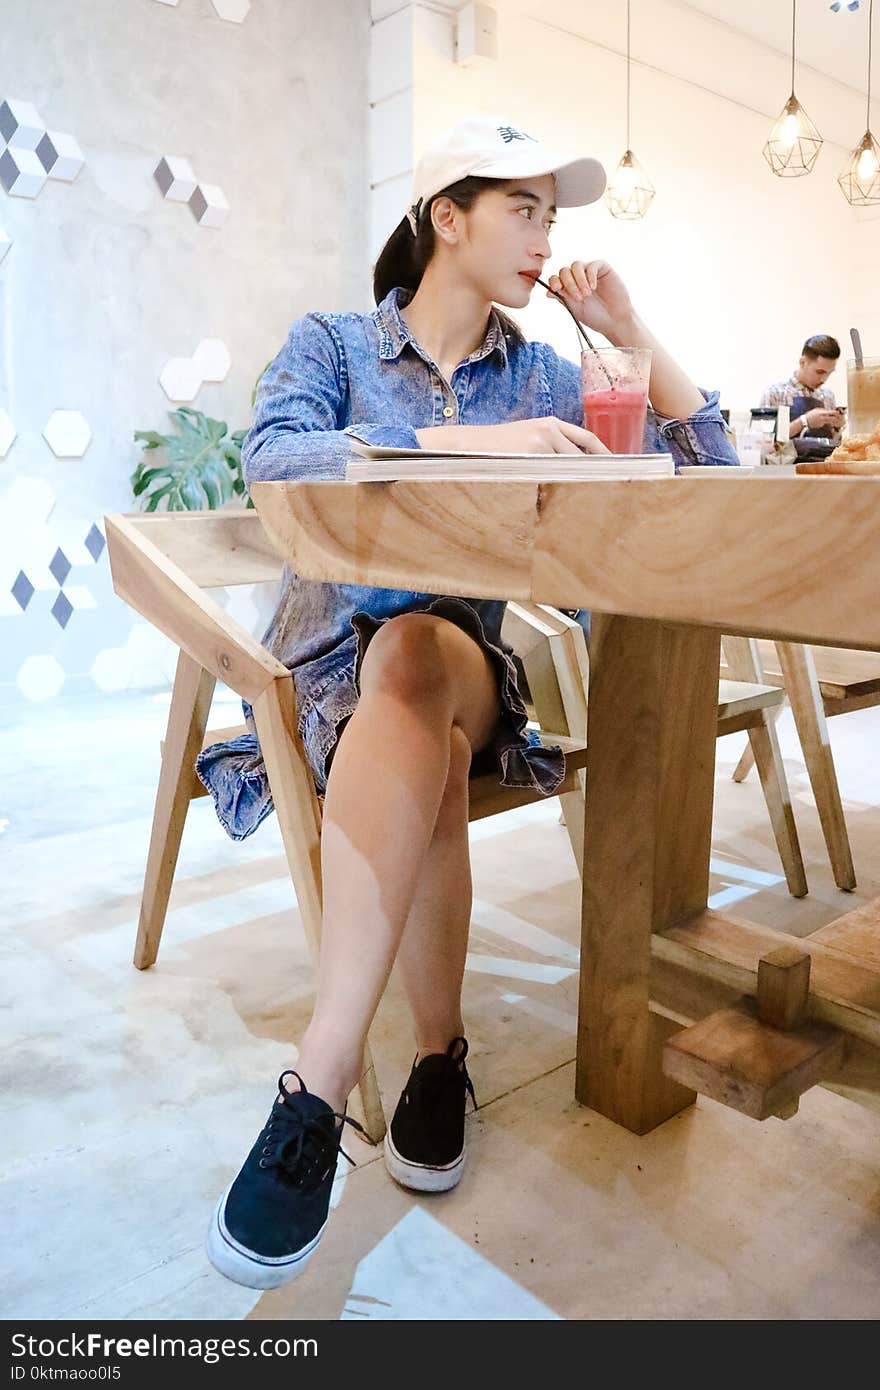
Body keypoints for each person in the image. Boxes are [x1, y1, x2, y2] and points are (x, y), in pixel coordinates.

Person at [197, 114, 740, 1290]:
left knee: (419, 656)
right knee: (406, 705)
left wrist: (631, 335)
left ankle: (321, 1081)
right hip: (324, 674)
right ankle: (437, 1057)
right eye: (527, 209)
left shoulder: (549, 370)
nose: (550, 237)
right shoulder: (337, 342)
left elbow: (716, 471)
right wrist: (466, 446)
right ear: (449, 217)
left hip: (461, 669)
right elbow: (277, 456)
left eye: (555, 214)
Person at [760, 335, 845, 442]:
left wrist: (838, 427)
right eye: (820, 372)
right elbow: (765, 442)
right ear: (803, 362)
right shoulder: (775, 393)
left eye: (829, 373)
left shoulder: (828, 397)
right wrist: (804, 422)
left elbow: (834, 444)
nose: (824, 379)